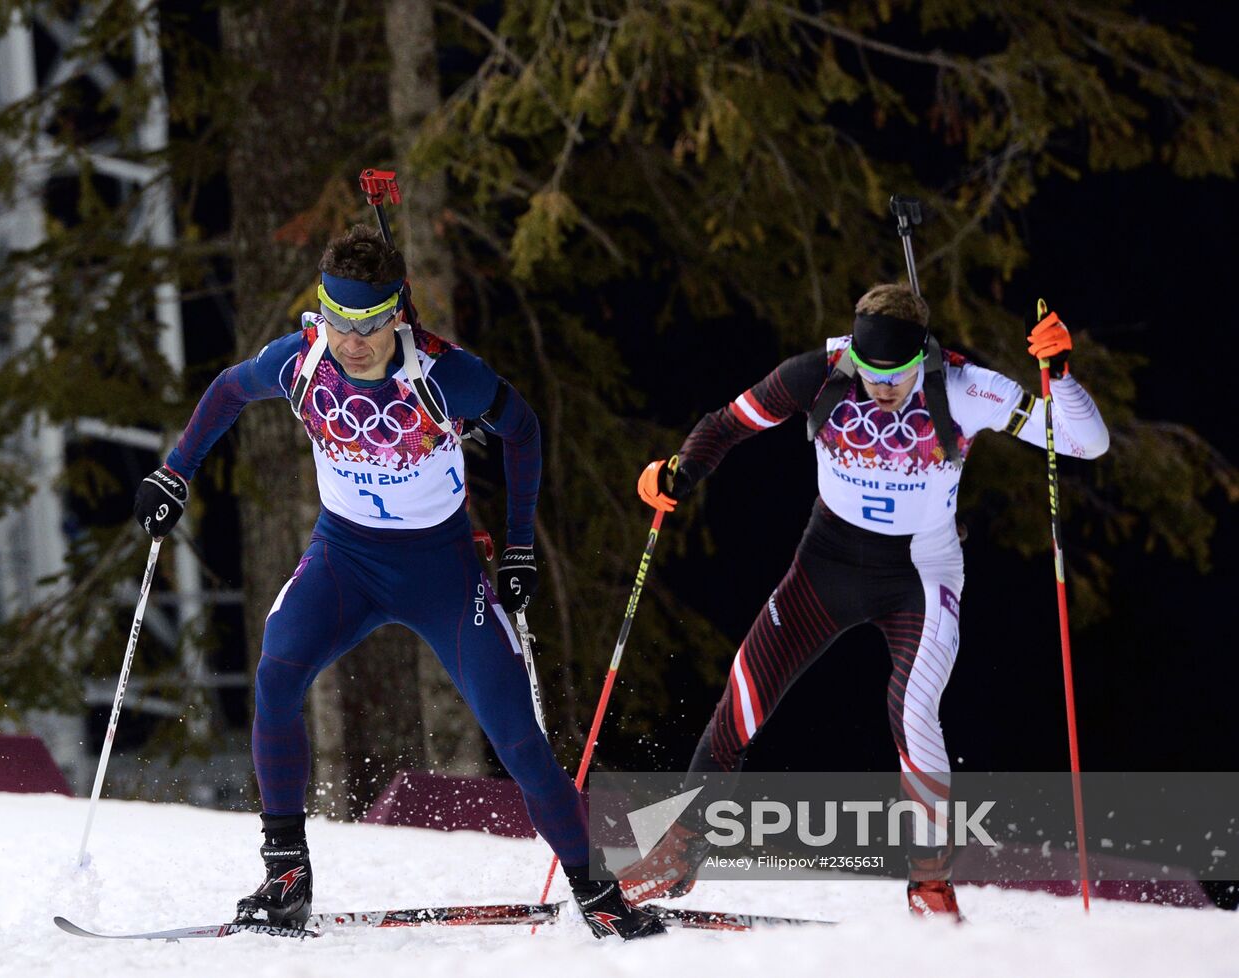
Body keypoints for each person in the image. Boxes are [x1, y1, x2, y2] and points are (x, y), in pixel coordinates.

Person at [133, 225, 662, 940]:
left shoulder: (445, 375)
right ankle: (285, 874)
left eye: (371, 324)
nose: (354, 342)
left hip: (440, 571)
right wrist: (174, 471)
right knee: (276, 674)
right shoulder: (303, 360)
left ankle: (598, 893)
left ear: (399, 314)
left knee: (517, 737)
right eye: (339, 321)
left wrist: (515, 549)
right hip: (343, 558)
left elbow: (524, 430)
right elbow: (229, 390)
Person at [618, 283, 1109, 918]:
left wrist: (1060, 376)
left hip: (920, 574)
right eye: (870, 373)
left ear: (921, 358)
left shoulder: (965, 388)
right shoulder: (816, 373)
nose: (882, 387)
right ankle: (678, 853)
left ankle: (930, 886)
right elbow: (725, 426)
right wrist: (678, 472)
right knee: (742, 696)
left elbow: (1082, 442)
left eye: (897, 375)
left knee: (912, 711)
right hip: (824, 564)